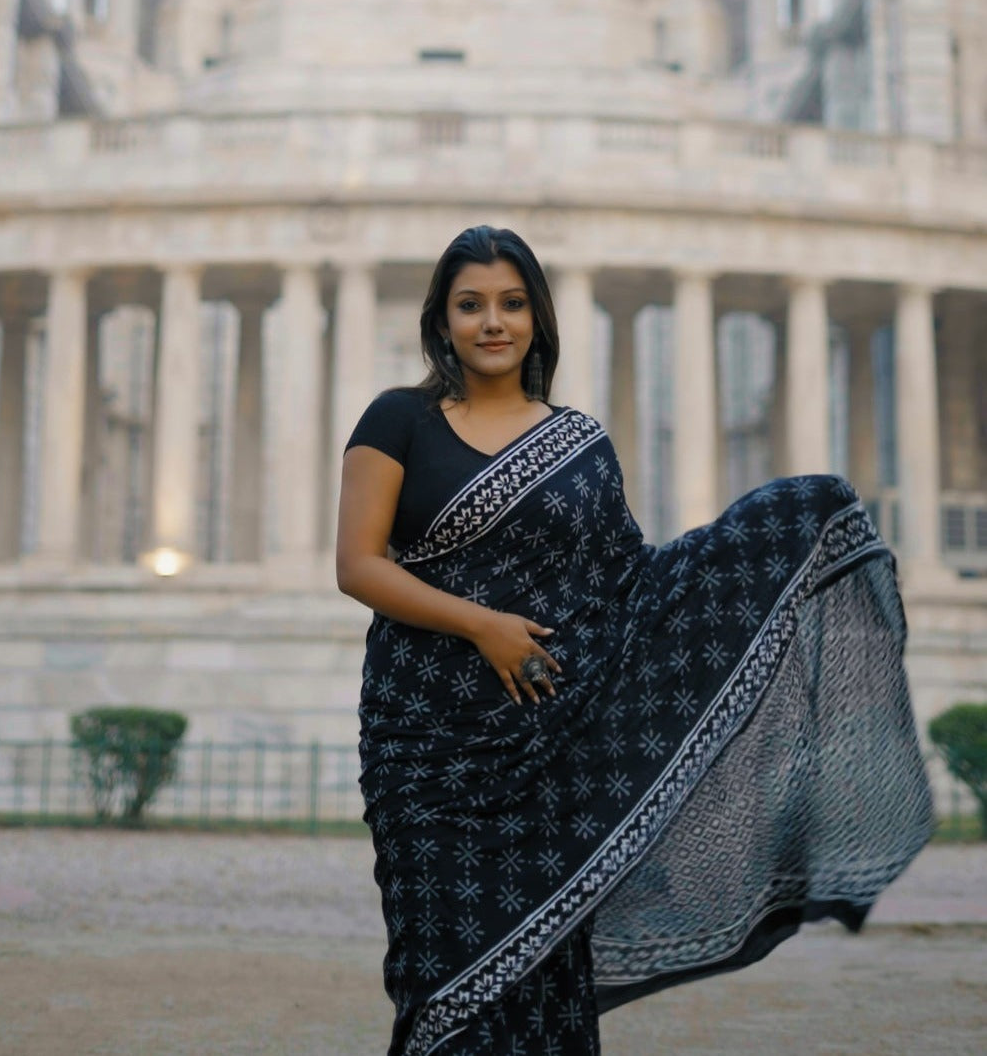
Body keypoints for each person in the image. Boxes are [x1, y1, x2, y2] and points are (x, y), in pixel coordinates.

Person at [336, 225, 933, 1056]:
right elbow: (358, 565)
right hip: (427, 748)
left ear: (538, 318)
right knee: (439, 972)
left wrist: (784, 531)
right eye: (469, 305)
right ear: (441, 320)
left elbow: (628, 590)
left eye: (511, 303)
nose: (492, 322)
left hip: (548, 755)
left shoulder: (577, 443)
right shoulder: (397, 418)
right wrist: (482, 625)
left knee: (542, 973)